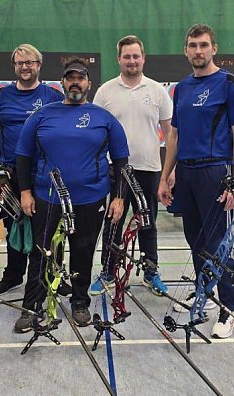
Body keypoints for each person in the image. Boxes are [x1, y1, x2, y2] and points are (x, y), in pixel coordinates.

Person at [14, 58, 129, 332]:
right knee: (41, 253)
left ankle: (80, 302)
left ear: (89, 83)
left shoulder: (103, 118)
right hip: (48, 197)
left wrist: (119, 197)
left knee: (83, 251)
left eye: (81, 78)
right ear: (63, 83)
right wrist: (26, 192)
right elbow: (23, 155)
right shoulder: (43, 115)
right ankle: (32, 305)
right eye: (70, 78)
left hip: (90, 198)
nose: (75, 82)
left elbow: (122, 160)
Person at [157, 24, 234, 339]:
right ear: (185, 50)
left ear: (214, 48)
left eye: (203, 45)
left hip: (216, 173)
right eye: (192, 45)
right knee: (195, 240)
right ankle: (204, 293)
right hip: (186, 173)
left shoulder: (228, 84)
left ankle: (228, 309)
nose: (198, 50)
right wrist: (166, 175)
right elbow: (175, 135)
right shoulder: (181, 88)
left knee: (218, 244)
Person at [88, 35, 172, 297]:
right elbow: (95, 132)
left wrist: (170, 172)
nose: (132, 61)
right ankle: (107, 273)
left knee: (148, 223)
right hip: (116, 171)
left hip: (148, 168)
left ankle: (150, 271)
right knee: (113, 223)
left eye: (136, 56)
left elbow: (171, 135)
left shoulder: (157, 91)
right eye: (127, 56)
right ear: (119, 59)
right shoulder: (105, 92)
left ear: (143, 58)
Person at [0, 44, 65, 297]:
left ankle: (55, 275)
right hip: (12, 175)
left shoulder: (52, 96)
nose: (25, 67)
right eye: (20, 63)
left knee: (52, 228)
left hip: (45, 172)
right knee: (14, 226)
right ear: (14, 67)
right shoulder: (0, 97)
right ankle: (13, 275)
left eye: (29, 62)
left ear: (39, 65)